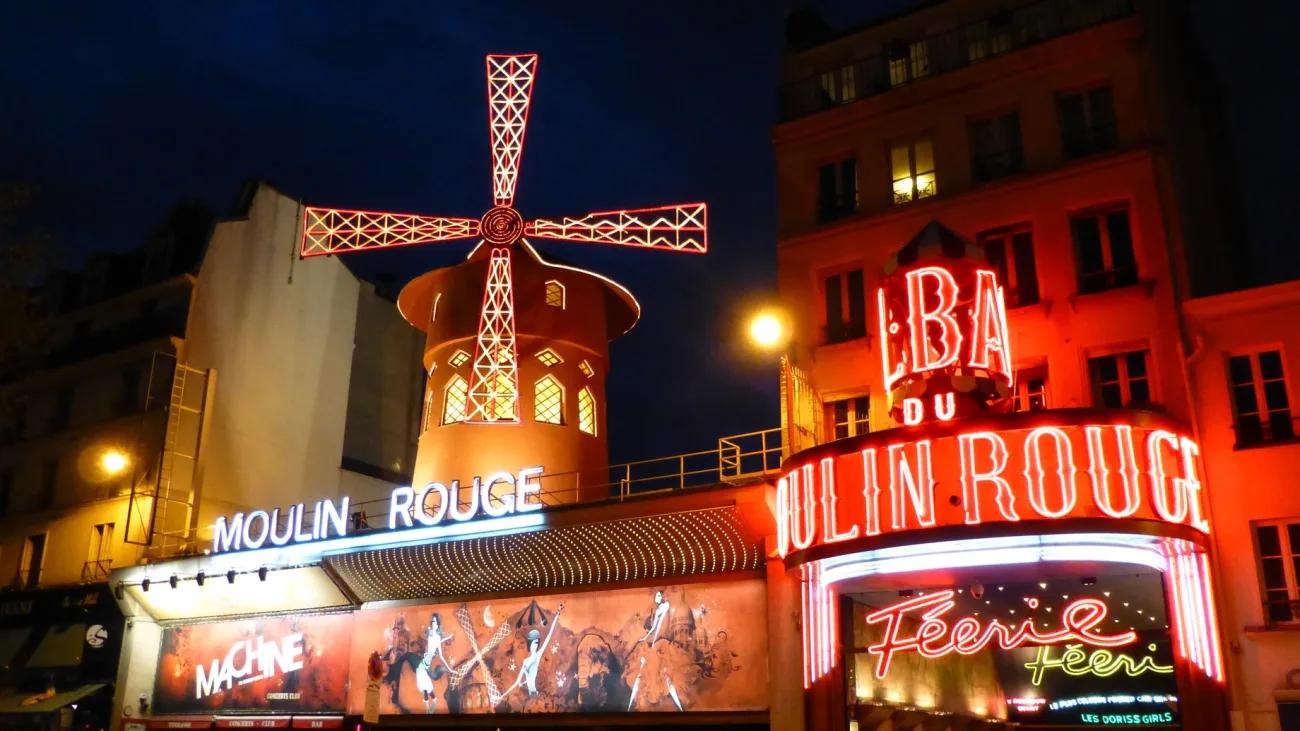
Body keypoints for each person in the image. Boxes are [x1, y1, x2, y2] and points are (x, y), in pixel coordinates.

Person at [415, 613, 453, 712]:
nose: (433, 624)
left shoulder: (437, 638)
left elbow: (440, 652)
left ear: (438, 624)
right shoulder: (430, 633)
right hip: (424, 662)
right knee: (425, 682)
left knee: (424, 682)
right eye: (432, 622)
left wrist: (449, 669)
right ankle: (432, 702)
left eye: (435, 622)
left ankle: (431, 704)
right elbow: (425, 637)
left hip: (425, 664)